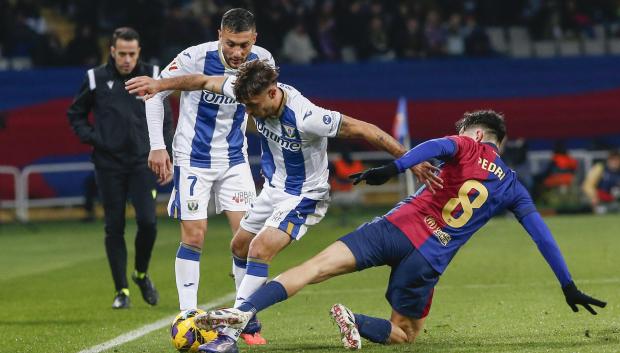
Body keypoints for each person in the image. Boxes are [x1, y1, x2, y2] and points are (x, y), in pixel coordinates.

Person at [191, 110, 606, 351]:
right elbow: (541, 235)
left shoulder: (467, 144)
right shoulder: (514, 186)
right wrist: (567, 284)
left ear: (477, 134)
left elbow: (434, 148)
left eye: (463, 133)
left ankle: (244, 312)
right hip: (429, 258)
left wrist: (393, 166)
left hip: (394, 227)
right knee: (405, 334)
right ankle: (356, 321)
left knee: (315, 267)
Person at [126, 59, 441, 353]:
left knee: (260, 250)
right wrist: (161, 84)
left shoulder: (307, 116)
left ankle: (229, 335)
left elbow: (364, 129)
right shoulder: (248, 90)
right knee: (239, 246)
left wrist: (409, 162)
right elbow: (203, 80)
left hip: (305, 195)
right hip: (274, 190)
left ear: (273, 92)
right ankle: (249, 316)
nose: (248, 111)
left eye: (252, 105)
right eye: (245, 105)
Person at [142, 8, 275, 345]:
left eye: (244, 45)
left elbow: (268, 109)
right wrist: (158, 146)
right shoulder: (193, 57)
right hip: (192, 159)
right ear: (220, 35)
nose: (237, 52)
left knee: (247, 240)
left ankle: (245, 320)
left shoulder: (263, 61)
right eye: (231, 44)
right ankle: (188, 317)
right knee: (194, 236)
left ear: (254, 40)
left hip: (234, 160)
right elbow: (155, 94)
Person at [67, 27, 174, 309]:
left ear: (138, 52)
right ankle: (121, 291)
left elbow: (166, 117)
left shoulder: (153, 74)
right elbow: (75, 113)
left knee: (148, 224)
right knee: (114, 227)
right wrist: (95, 139)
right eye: (121, 53)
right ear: (112, 51)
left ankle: (140, 274)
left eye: (131, 53)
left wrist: (166, 152)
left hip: (142, 163)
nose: (127, 59)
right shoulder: (95, 78)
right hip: (109, 165)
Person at [582, 150, 620, 214]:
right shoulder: (600, 168)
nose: (615, 162)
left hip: (615, 201)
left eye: (617, 159)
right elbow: (587, 185)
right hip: (601, 200)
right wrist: (593, 197)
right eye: (613, 159)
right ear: (608, 160)